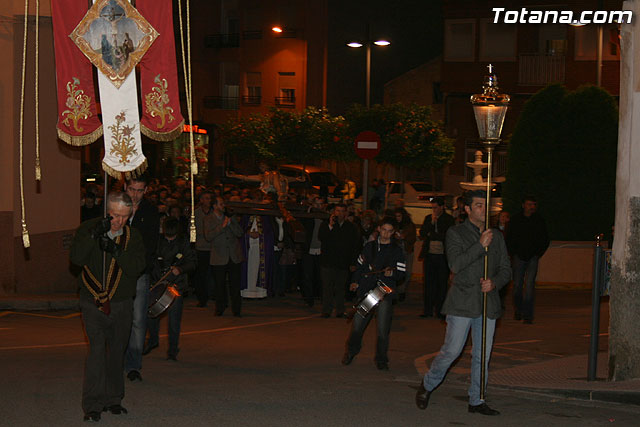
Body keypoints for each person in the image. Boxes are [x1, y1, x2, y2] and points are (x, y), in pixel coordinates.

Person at [415, 190, 511, 416]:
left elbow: (506, 268)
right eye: (478, 205)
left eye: (485, 205)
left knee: (482, 355)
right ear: (467, 209)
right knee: (452, 351)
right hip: (462, 302)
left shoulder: (497, 236)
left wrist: (494, 282)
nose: (483, 210)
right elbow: (456, 265)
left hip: (488, 302)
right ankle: (428, 384)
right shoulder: (455, 233)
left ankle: (477, 399)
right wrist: (480, 244)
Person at [70, 192, 146, 422]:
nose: (119, 222)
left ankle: (114, 399)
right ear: (107, 211)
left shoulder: (133, 237)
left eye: (124, 217)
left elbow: (136, 268)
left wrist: (116, 251)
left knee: (116, 352)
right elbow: (76, 259)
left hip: (121, 302)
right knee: (96, 353)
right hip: (92, 301)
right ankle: (92, 404)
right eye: (114, 216)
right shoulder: (88, 228)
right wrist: (94, 235)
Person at [342, 217, 406, 370]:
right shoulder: (369, 247)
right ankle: (351, 351)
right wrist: (355, 281)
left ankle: (381, 359)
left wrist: (393, 275)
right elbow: (359, 266)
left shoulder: (397, 250)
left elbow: (402, 272)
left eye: (389, 231)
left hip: (384, 291)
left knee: (383, 330)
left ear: (393, 233)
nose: (386, 234)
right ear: (378, 229)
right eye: (383, 230)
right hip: (369, 292)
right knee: (357, 325)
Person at [123, 174, 160, 382]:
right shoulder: (117, 207)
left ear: (145, 191)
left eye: (139, 191)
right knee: (119, 316)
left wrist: (141, 267)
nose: (135, 195)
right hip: (118, 270)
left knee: (138, 319)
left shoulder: (150, 211)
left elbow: (151, 244)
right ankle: (116, 358)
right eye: (131, 190)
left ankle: (133, 364)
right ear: (125, 188)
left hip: (139, 272)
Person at [143, 217, 196, 361]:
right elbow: (151, 260)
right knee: (151, 314)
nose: (169, 237)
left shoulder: (183, 242)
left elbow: (192, 262)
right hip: (158, 282)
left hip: (175, 285)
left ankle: (173, 350)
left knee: (174, 320)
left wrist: (180, 268)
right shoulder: (157, 241)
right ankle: (153, 340)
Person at [506, 196, 549, 324]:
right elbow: (510, 237)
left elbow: (545, 238)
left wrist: (538, 253)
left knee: (530, 285)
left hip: (532, 257)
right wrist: (513, 253)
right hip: (519, 256)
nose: (531, 207)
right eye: (529, 204)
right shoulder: (516, 220)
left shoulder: (539, 220)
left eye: (533, 204)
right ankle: (519, 310)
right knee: (517, 285)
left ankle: (528, 314)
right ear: (523, 205)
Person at [318, 203, 360, 318]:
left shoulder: (351, 227)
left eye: (342, 211)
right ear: (334, 212)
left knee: (340, 287)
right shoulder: (326, 225)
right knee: (327, 287)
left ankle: (340, 309)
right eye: (338, 211)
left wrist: (353, 262)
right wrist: (330, 226)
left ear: (346, 213)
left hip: (343, 262)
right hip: (328, 261)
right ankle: (326, 309)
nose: (340, 214)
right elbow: (322, 238)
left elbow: (355, 246)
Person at [205, 196, 244, 317]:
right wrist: (222, 226)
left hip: (233, 255)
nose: (224, 206)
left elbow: (240, 233)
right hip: (219, 256)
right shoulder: (208, 219)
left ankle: (237, 310)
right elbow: (208, 236)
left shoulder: (231, 218)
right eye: (221, 204)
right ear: (215, 206)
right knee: (220, 285)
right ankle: (220, 308)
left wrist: (230, 223)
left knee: (235, 285)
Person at [418, 197, 455, 318]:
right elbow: (423, 233)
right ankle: (427, 310)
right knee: (428, 283)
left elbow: (447, 236)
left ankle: (441, 310)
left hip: (442, 256)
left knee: (441, 284)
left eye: (436, 208)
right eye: (432, 208)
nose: (434, 210)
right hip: (430, 255)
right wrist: (431, 225)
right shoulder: (428, 218)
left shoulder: (448, 219)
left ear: (442, 207)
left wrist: (433, 234)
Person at [194, 191, 214, 307]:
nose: (208, 201)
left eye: (210, 198)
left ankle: (213, 294)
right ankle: (202, 298)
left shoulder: (214, 213)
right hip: (201, 247)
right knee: (202, 274)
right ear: (201, 200)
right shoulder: (196, 213)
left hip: (213, 247)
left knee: (213, 274)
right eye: (206, 198)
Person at [394, 208, 416, 301]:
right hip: (397, 252)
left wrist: (404, 237)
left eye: (399, 216)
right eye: (396, 216)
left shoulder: (409, 226)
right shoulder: (394, 226)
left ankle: (401, 290)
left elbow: (412, 238)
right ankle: (398, 291)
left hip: (407, 251)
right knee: (398, 271)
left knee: (407, 272)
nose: (398, 218)